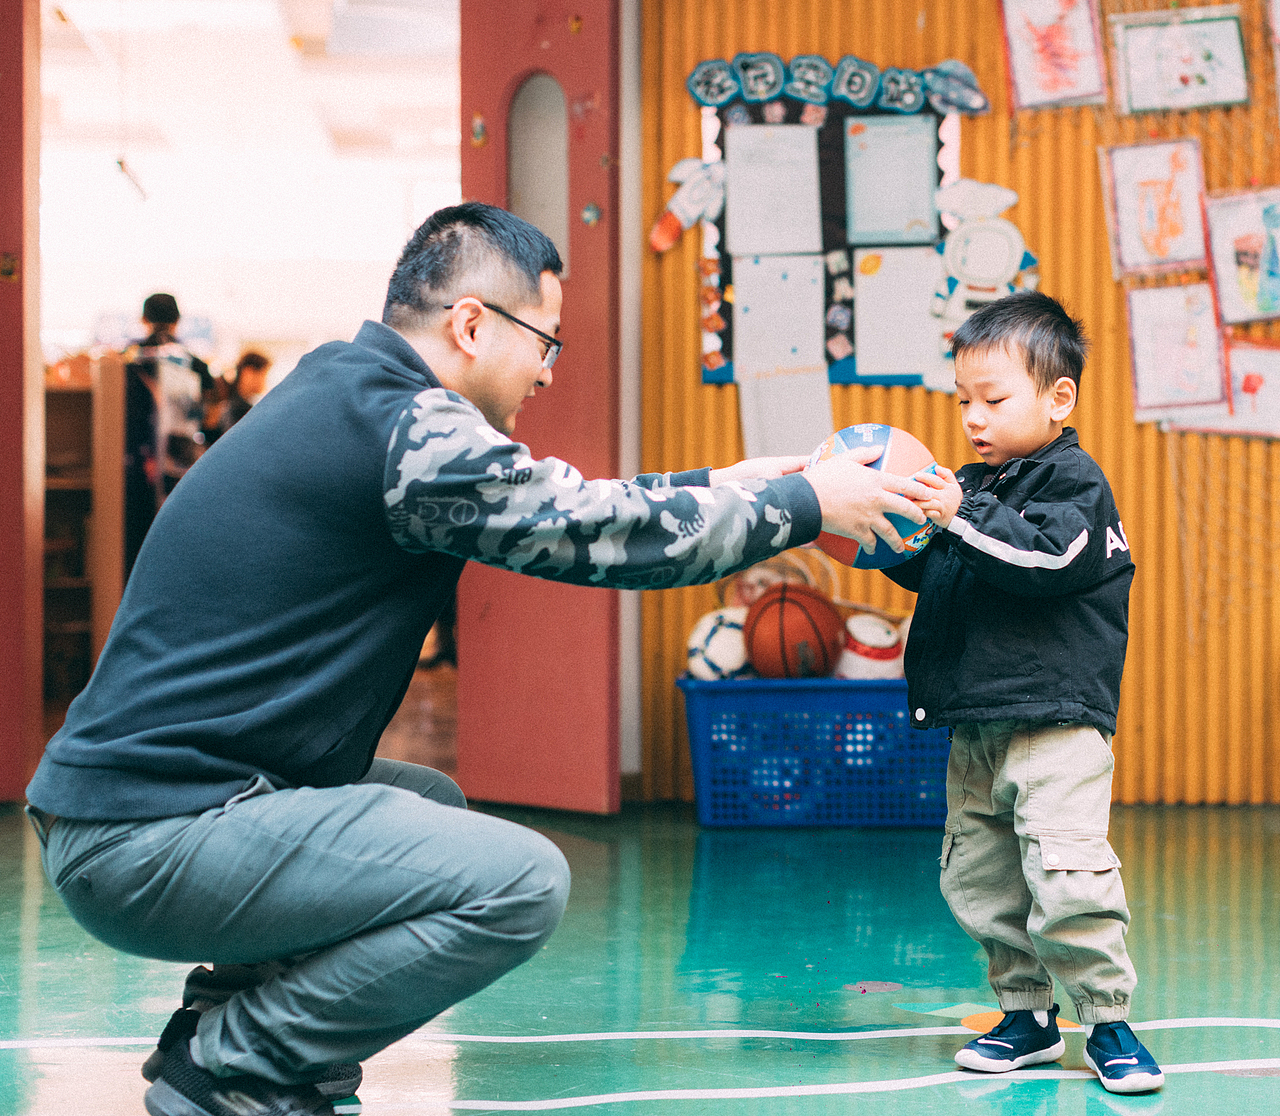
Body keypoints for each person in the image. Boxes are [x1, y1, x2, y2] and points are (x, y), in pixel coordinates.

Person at [24, 202, 931, 1116]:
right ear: (469, 324)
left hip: (139, 815)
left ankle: (231, 1026)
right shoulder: (404, 427)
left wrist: (744, 484)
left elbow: (577, 499)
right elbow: (595, 534)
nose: (545, 369)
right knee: (519, 881)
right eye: (546, 341)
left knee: (433, 805)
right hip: (149, 838)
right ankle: (237, 1064)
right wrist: (807, 505)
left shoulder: (353, 397)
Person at [888, 291, 1162, 1094]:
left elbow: (1045, 564)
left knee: (1065, 872)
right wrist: (879, 537)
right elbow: (945, 568)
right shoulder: (974, 489)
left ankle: (1108, 1020)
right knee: (984, 876)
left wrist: (957, 516)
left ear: (1058, 398)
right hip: (976, 724)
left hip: (1055, 723)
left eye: (993, 399)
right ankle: (1027, 1015)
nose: (973, 417)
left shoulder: (1075, 484)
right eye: (963, 400)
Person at [122, 293, 217, 575]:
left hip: (132, 467)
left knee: (134, 545)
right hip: (179, 465)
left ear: (143, 319)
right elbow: (209, 418)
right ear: (177, 321)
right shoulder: (196, 365)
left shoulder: (127, 361)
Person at [206, 350, 272, 443]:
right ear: (248, 373)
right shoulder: (238, 407)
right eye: (264, 374)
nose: (264, 382)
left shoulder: (229, 401)